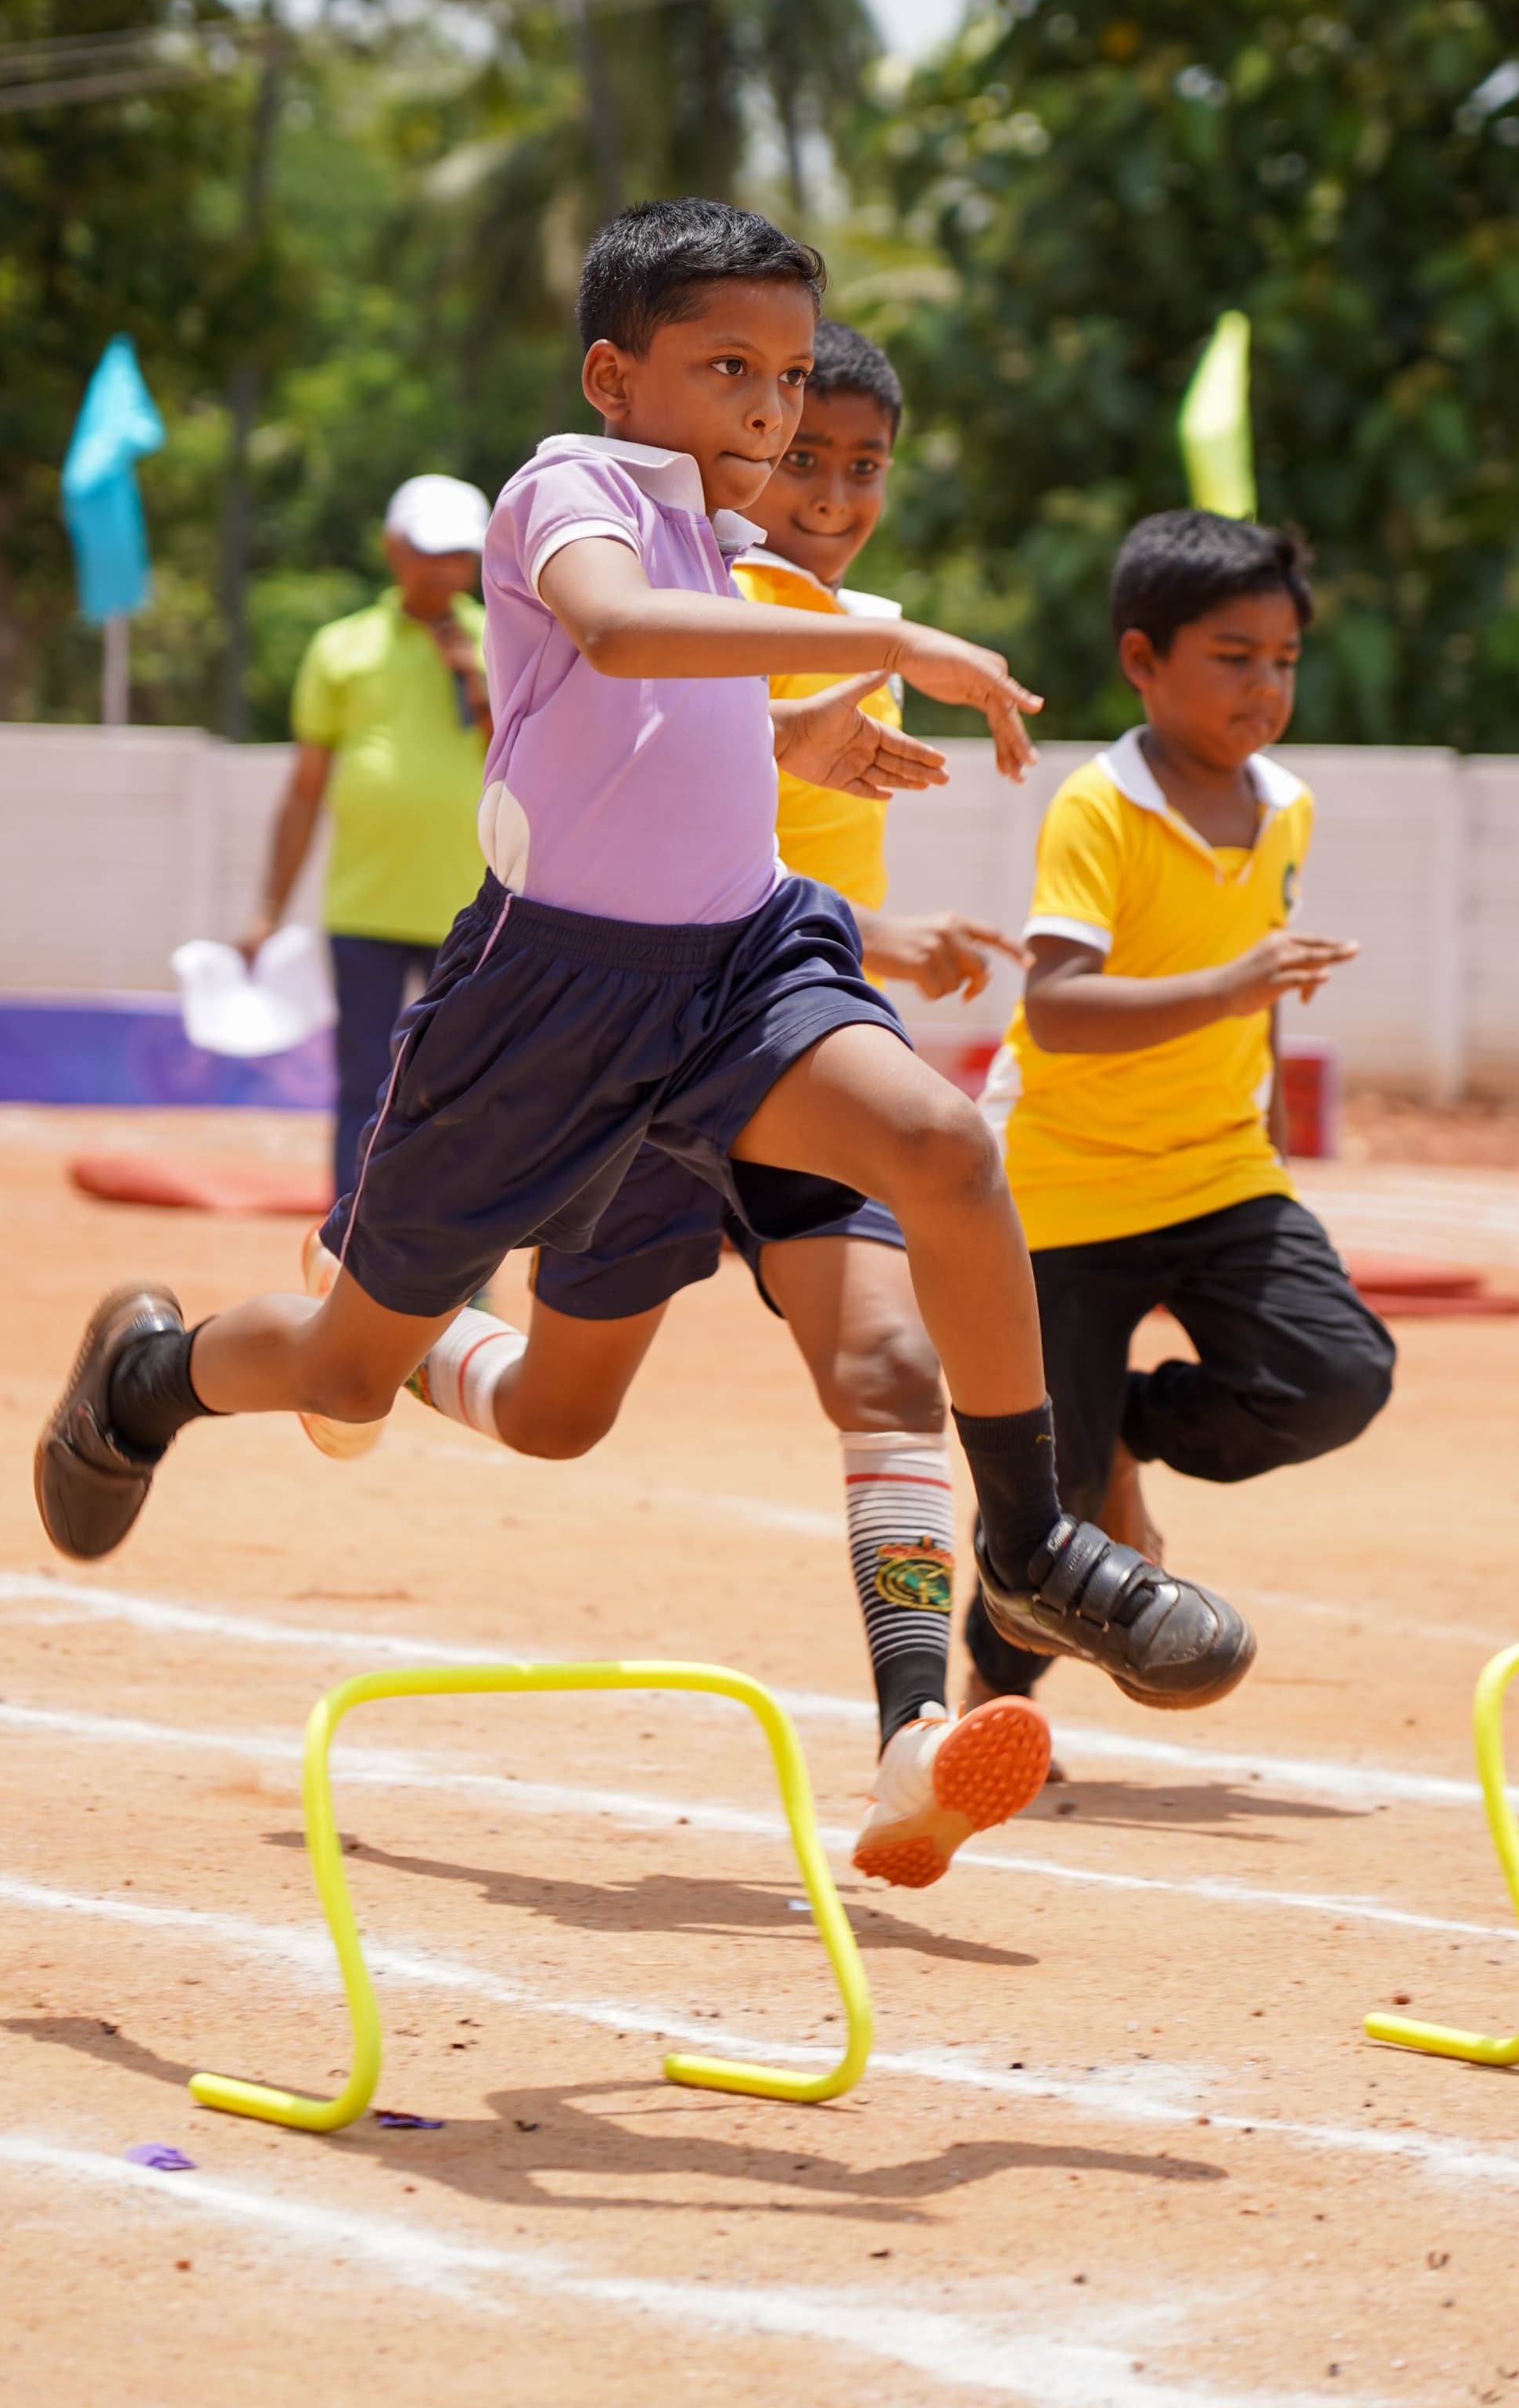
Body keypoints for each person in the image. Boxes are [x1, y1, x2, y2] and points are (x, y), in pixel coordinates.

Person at [35, 200, 1256, 1741]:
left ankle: (1029, 1548)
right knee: (357, 1372)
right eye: (726, 363)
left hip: (743, 959)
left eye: (793, 374)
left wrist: (809, 722)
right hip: (548, 991)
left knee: (943, 1146)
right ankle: (146, 1379)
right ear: (614, 374)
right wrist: (900, 650)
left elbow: (682, 725)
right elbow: (610, 632)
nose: (769, 404)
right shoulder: (571, 486)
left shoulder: (734, 547)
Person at [397, 321, 1050, 1888]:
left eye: (859, 462)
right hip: (646, 1044)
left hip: (804, 1043)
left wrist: (877, 941)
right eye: (793, 445)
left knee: (889, 1366)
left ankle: (912, 1741)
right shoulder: (685, 574)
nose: (823, 486)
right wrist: (830, 705)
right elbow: (658, 761)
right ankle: (426, 1342)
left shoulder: (832, 605)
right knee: (562, 1415)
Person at [960, 506, 1396, 1718]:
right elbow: (1056, 1006)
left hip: (1215, 1175)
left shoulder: (1287, 807)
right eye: (1232, 657)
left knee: (1332, 1376)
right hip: (1058, 1188)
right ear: (1141, 662)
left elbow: (1253, 993)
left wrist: (1259, 1110)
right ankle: (993, 1708)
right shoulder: (1097, 809)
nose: (1265, 687)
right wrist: (1238, 985)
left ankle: (1122, 1431)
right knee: (1037, 1523)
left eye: (1283, 661)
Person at [239, 473, 491, 1203]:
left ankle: (455, 1260)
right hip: (364, 908)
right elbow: (304, 791)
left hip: (472, 912)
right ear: (392, 548)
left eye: (459, 556)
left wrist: (478, 687)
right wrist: (267, 907)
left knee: (463, 1088)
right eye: (429, 551)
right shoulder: (339, 647)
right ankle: (351, 1242)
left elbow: (536, 767)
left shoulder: (506, 640)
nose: (445, 570)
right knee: (364, 1086)